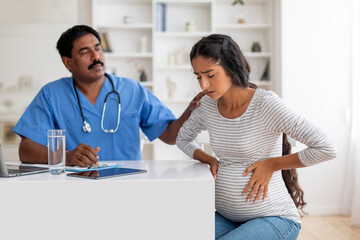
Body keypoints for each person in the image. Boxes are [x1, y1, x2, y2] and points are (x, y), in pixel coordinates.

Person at [176, 34, 337, 240]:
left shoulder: (265, 104)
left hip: (275, 218)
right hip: (227, 217)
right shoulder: (207, 107)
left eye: (210, 75)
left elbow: (326, 148)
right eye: (198, 76)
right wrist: (208, 159)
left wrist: (272, 164)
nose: (204, 85)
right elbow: (183, 139)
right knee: (177, 231)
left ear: (231, 68)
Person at [13, 25, 203, 167]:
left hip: (127, 184)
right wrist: (68, 157)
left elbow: (170, 136)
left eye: (98, 48)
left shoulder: (133, 90)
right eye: (85, 52)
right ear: (68, 62)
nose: (96, 56)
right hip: (74, 187)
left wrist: (191, 110)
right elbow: (26, 150)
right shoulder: (51, 94)